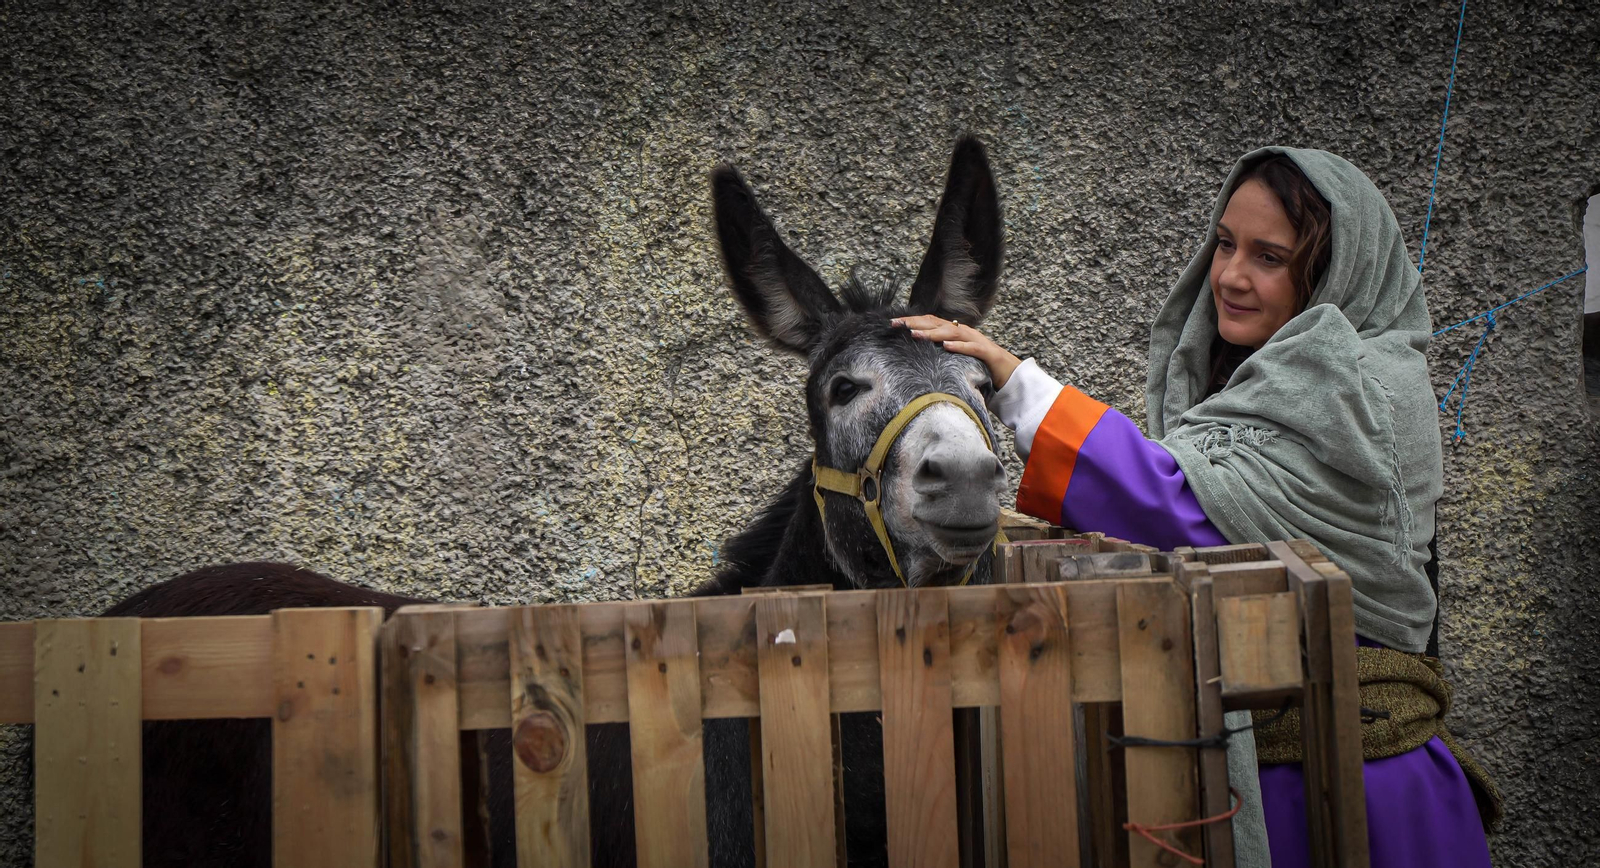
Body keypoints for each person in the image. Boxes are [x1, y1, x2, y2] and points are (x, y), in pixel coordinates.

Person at [895, 148, 1497, 868]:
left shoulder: (1358, 387)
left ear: (1337, 271)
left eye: (1270, 257)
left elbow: (1188, 518)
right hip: (1267, 774)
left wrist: (1019, 386)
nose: (1232, 276)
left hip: (1361, 791)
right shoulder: (1259, 386)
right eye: (1225, 243)